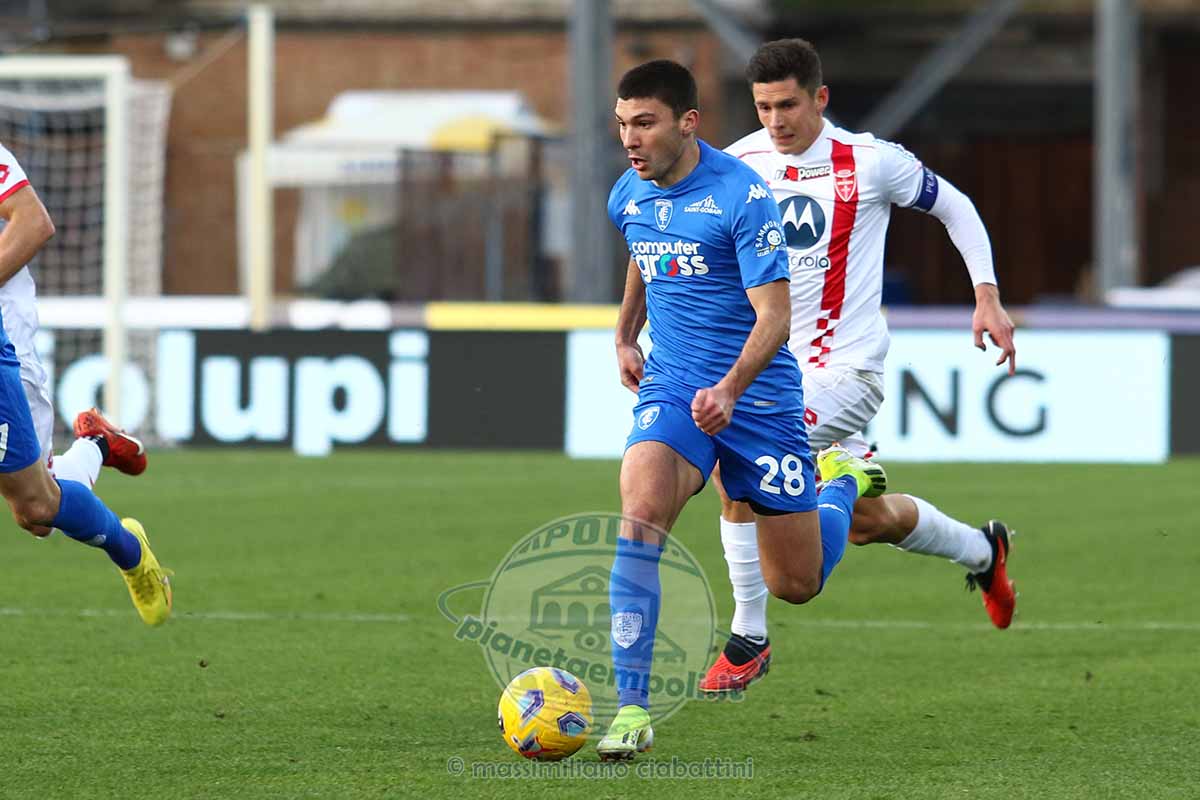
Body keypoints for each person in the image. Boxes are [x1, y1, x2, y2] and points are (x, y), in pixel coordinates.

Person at [698, 38, 1018, 695]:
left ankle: (749, 637)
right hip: (775, 373)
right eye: (763, 107)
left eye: (788, 105)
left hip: (848, 371)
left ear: (819, 98)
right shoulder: (738, 164)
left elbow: (955, 206)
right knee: (870, 524)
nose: (776, 121)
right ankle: (984, 551)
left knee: (737, 457)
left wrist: (986, 295)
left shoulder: (870, 161)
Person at [597, 59, 886, 760]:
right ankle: (631, 709)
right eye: (623, 124)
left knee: (796, 584)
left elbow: (775, 318)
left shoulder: (743, 195)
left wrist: (729, 389)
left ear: (687, 123)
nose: (630, 139)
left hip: (758, 401)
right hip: (673, 388)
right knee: (640, 515)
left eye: (645, 123)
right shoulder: (628, 191)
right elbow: (642, 247)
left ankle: (842, 483)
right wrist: (626, 333)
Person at [0, 142, 171, 626]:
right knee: (35, 505)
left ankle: (129, 548)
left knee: (37, 509)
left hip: (5, 338)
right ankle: (98, 443)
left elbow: (33, 223)